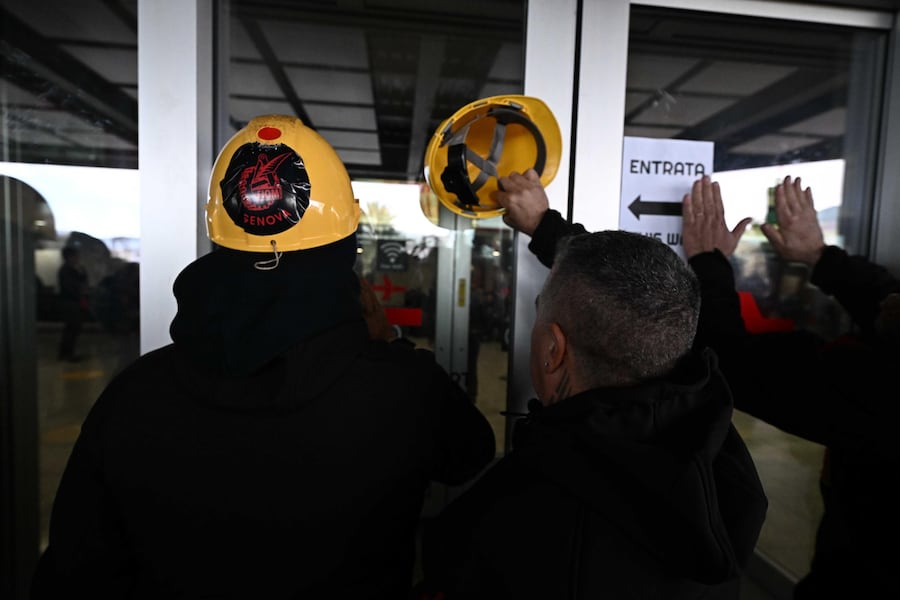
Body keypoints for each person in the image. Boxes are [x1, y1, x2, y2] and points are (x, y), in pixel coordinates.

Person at [30, 114, 496, 599]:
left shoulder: (132, 397)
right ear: (346, 248)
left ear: (219, 238)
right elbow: (472, 456)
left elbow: (71, 574)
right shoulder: (405, 393)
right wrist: (389, 345)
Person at [416, 169, 768, 599]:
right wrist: (548, 228)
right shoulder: (720, 475)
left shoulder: (500, 522)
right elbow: (628, 294)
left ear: (552, 350)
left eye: (540, 310)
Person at [681, 174, 900, 599]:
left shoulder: (879, 390)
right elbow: (889, 302)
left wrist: (708, 262)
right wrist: (820, 257)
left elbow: (735, 362)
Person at [56, 244, 89, 361]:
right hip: (70, 303)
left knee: (73, 329)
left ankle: (67, 353)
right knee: (71, 329)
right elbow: (71, 287)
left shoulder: (73, 269)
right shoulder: (66, 270)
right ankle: (66, 354)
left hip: (73, 303)